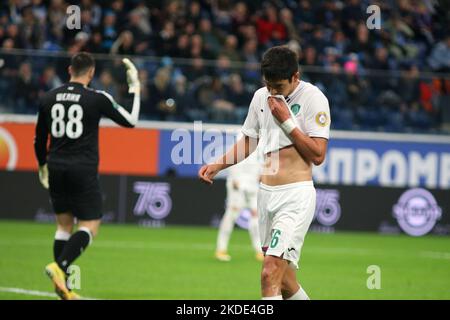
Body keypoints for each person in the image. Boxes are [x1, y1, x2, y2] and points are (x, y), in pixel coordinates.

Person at [199, 46, 330, 300]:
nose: (272, 92)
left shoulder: (314, 99)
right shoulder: (261, 97)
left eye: (278, 86)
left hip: (294, 197)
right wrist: (218, 165)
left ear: (295, 76)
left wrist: (288, 122)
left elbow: (318, 154)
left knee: (269, 272)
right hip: (266, 195)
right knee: (285, 281)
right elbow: (249, 141)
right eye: (268, 85)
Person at [34, 52, 141, 300]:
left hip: (56, 167)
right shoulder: (96, 98)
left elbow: (40, 139)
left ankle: (65, 289)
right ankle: (59, 268)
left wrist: (42, 165)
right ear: (91, 73)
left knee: (63, 226)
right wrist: (135, 87)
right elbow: (131, 121)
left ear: (70, 70)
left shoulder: (49, 97)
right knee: (90, 225)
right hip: (82, 168)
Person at [215, 149, 263, 262]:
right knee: (231, 216)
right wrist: (234, 179)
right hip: (238, 186)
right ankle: (221, 249)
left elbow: (262, 165)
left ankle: (260, 250)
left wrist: (260, 176)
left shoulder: (260, 147)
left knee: (256, 220)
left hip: (253, 186)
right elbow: (234, 160)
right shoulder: (241, 140)